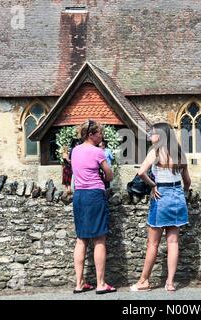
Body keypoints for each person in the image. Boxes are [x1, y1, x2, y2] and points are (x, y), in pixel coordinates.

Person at [129, 122, 191, 292]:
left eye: (153, 133)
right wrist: (182, 193)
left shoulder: (155, 152)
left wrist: (153, 185)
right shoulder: (180, 154)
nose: (150, 136)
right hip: (177, 196)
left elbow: (141, 172)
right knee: (173, 241)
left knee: (153, 243)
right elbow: (188, 182)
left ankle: (144, 281)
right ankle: (170, 283)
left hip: (161, 195)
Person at [70, 119, 116, 294]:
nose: (101, 136)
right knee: (99, 239)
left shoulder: (74, 151)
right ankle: (101, 283)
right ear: (91, 135)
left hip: (79, 195)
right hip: (94, 195)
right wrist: (104, 170)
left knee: (81, 239)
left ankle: (79, 283)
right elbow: (110, 176)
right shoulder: (97, 152)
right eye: (99, 133)